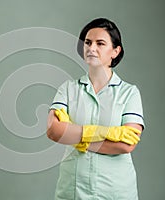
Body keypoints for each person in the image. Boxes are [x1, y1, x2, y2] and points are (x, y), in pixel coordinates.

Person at [47, 18, 145, 200]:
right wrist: (103, 133)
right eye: (88, 42)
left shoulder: (129, 93)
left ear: (115, 51)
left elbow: (126, 144)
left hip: (115, 191)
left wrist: (77, 138)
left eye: (100, 43)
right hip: (72, 189)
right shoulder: (68, 89)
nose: (91, 48)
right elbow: (54, 131)